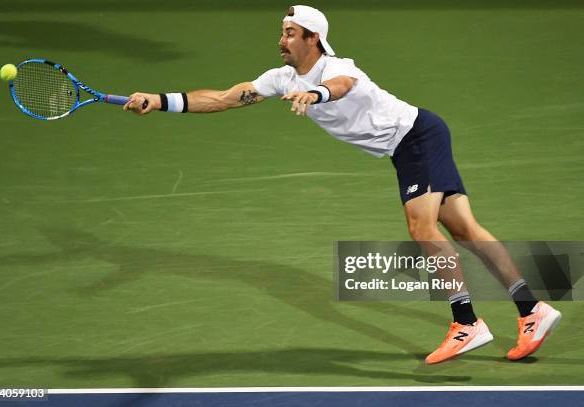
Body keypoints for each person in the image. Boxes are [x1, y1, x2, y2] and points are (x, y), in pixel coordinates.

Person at [123, 5, 561, 364]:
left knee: (421, 228)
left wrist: (316, 95)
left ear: (312, 37)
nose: (281, 40)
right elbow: (221, 97)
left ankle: (466, 323)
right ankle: (532, 309)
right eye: (282, 32)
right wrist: (158, 101)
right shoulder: (280, 80)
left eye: (290, 33)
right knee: (464, 230)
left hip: (415, 138)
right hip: (419, 137)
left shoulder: (337, 66)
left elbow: (342, 85)